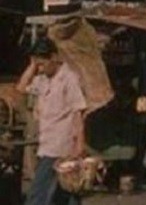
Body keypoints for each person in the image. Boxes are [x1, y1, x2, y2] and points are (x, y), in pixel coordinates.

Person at [16, 38, 87, 205]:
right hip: (47, 143)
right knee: (65, 194)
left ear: (53, 57)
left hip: (60, 146)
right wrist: (32, 66)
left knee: (37, 194)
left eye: (42, 63)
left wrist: (80, 144)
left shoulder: (68, 78)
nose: (40, 68)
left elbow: (78, 112)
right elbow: (21, 87)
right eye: (37, 64)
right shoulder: (42, 79)